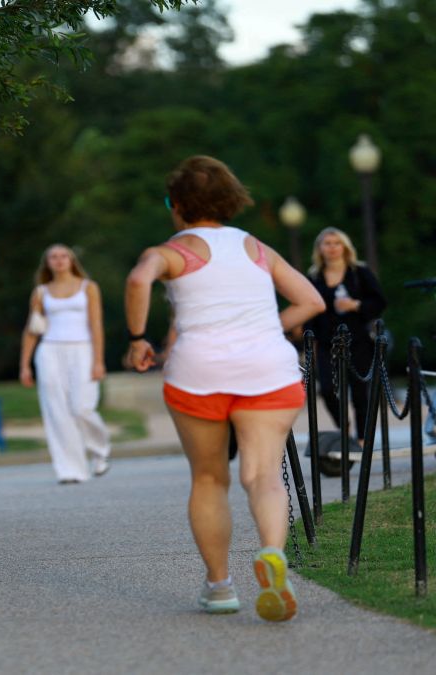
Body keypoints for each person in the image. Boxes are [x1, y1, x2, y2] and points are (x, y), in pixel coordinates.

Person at [125, 155, 324, 622]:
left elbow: (138, 280)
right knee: (263, 476)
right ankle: (273, 554)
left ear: (176, 205)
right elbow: (311, 301)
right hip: (267, 370)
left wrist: (137, 340)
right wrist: (264, 328)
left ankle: (220, 588)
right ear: (232, 200)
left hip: (200, 374)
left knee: (210, 479)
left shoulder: (170, 251)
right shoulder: (257, 248)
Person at [18, 244, 111, 484]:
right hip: (50, 350)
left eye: (63, 256)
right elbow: (32, 330)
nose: (59, 260)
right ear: (47, 262)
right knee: (56, 411)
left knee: (82, 407)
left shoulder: (88, 288)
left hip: (82, 349)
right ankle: (71, 470)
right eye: (53, 257)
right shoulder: (41, 292)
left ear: (71, 260)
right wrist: (25, 365)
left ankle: (100, 450)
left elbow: (96, 325)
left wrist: (99, 360)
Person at [303, 227, 387, 442]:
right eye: (327, 243)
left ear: (345, 247)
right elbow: (308, 309)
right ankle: (344, 426)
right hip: (325, 342)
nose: (332, 247)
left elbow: (379, 302)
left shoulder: (359, 272)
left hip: (357, 340)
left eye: (336, 243)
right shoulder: (313, 277)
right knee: (328, 389)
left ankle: (362, 439)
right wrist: (308, 340)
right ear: (319, 249)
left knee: (360, 392)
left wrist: (356, 305)